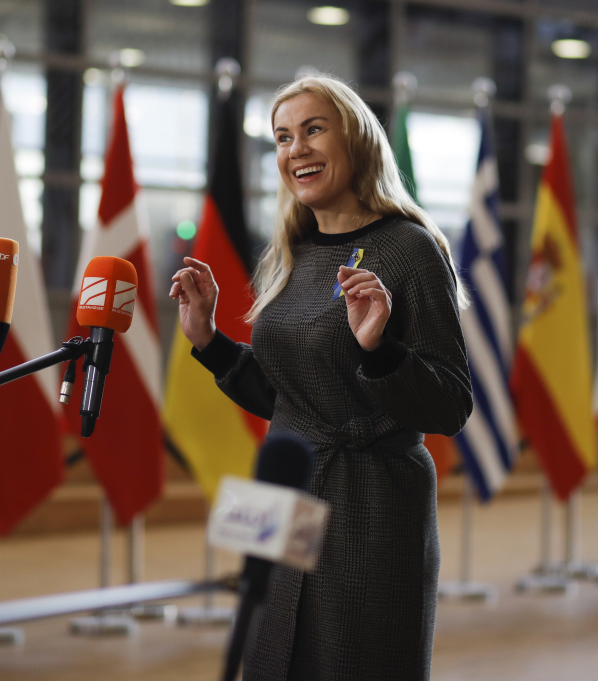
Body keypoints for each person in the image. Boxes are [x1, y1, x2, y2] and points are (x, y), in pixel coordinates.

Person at [170, 74, 472, 680]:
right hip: (285, 490)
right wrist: (208, 340)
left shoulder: (410, 249)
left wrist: (379, 349)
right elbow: (294, 399)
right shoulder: (293, 249)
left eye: (313, 130)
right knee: (267, 658)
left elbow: (450, 406)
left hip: (371, 501)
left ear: (356, 139)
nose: (296, 149)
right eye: (283, 137)